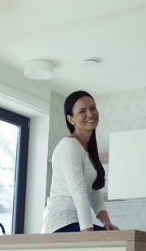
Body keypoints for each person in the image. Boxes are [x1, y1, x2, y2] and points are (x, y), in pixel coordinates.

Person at [41, 90, 119, 233]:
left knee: (113, 237)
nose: (90, 114)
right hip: (60, 224)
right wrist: (87, 233)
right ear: (71, 119)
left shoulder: (87, 152)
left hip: (74, 223)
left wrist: (107, 223)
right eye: (82, 111)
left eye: (93, 108)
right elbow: (79, 193)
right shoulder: (69, 146)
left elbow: (94, 194)